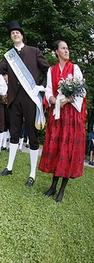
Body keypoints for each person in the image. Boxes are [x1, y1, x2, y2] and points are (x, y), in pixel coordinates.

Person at [0, 21, 50, 186]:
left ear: (22, 35)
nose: (15, 34)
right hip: (14, 100)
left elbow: (48, 69)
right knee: (14, 133)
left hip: (31, 98)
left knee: (33, 136)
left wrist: (42, 86)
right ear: (11, 37)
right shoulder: (9, 56)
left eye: (17, 32)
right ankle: (9, 166)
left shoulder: (34, 52)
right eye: (12, 33)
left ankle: (32, 174)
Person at [39, 40, 86, 202]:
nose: (66, 51)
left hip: (71, 115)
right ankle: (53, 186)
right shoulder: (51, 70)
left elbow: (82, 91)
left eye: (67, 48)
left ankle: (62, 189)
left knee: (67, 149)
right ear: (56, 52)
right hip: (57, 113)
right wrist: (53, 100)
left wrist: (68, 100)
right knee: (57, 147)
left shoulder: (75, 68)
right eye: (63, 48)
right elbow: (49, 91)